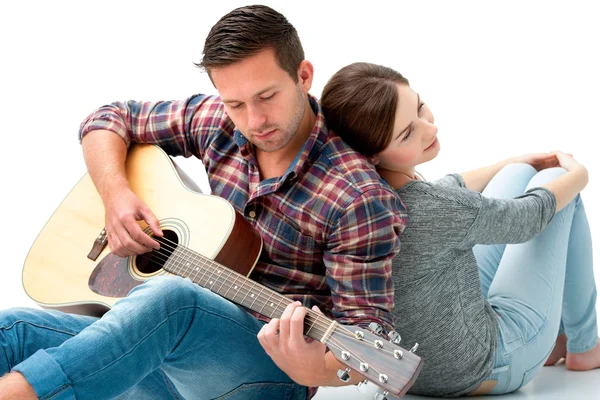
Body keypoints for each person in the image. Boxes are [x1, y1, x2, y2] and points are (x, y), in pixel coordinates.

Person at [0, 8, 408, 400]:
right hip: (164, 363)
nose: (254, 120)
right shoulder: (219, 122)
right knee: (11, 329)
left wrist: (312, 370)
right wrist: (116, 196)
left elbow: (366, 332)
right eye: (235, 104)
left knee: (173, 298)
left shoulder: (357, 196)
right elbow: (107, 119)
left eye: (267, 96)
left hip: (262, 379)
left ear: (303, 76)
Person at [320, 62, 598, 396]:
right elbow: (526, 217)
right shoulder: (435, 208)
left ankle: (561, 337)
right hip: (491, 366)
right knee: (558, 187)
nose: (427, 128)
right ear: (372, 155)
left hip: (409, 372)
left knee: (515, 175)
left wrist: (518, 161)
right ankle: (584, 343)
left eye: (420, 107)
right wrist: (580, 175)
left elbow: (450, 188)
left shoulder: (363, 201)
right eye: (407, 132)